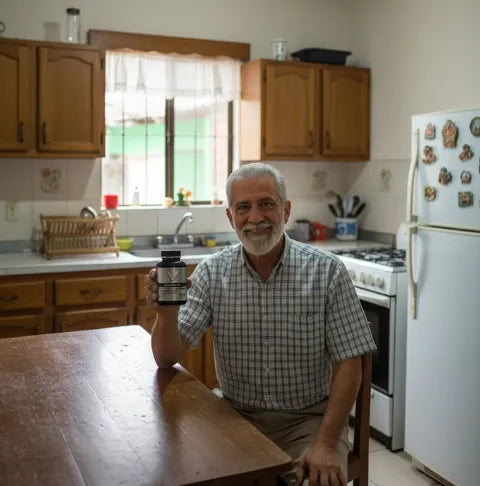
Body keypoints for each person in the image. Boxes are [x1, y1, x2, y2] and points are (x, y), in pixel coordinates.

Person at [145, 162, 376, 486]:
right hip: (235, 417)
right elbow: (166, 357)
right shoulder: (212, 273)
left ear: (286, 210)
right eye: (243, 207)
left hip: (309, 421)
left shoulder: (327, 271)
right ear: (231, 217)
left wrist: (325, 443)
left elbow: (350, 364)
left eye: (266, 203)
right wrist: (166, 313)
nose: (255, 218)